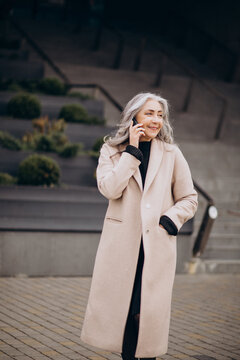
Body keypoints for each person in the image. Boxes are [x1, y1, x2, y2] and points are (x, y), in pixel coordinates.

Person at [80, 92, 198, 359]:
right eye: (149, 113)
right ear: (133, 116)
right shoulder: (111, 150)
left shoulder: (171, 153)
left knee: (143, 314)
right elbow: (109, 189)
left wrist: (170, 220)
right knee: (126, 315)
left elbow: (189, 198)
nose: (156, 120)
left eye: (160, 115)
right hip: (122, 247)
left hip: (155, 247)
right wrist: (131, 152)